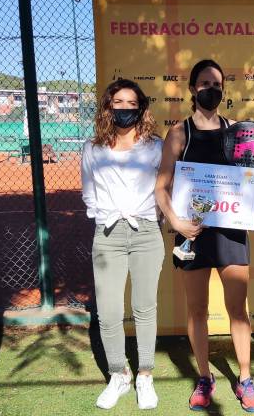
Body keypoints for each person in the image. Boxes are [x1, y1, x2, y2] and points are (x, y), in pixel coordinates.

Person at [154, 59, 254, 413]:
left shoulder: (238, 131)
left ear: (223, 90)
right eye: (204, 84)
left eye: (216, 84)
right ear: (192, 89)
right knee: (197, 309)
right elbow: (161, 188)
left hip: (230, 233)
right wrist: (177, 223)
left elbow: (248, 179)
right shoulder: (179, 133)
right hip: (193, 234)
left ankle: (245, 379)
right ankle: (205, 377)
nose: (211, 90)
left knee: (237, 309)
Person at [81, 79, 165, 410]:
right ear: (108, 106)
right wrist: (104, 217)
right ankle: (119, 374)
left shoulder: (155, 147)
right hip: (108, 234)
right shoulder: (93, 148)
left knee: (145, 308)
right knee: (110, 311)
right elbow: (88, 189)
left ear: (142, 108)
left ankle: (145, 374)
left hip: (146, 232)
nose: (125, 109)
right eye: (119, 102)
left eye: (132, 104)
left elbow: (165, 188)